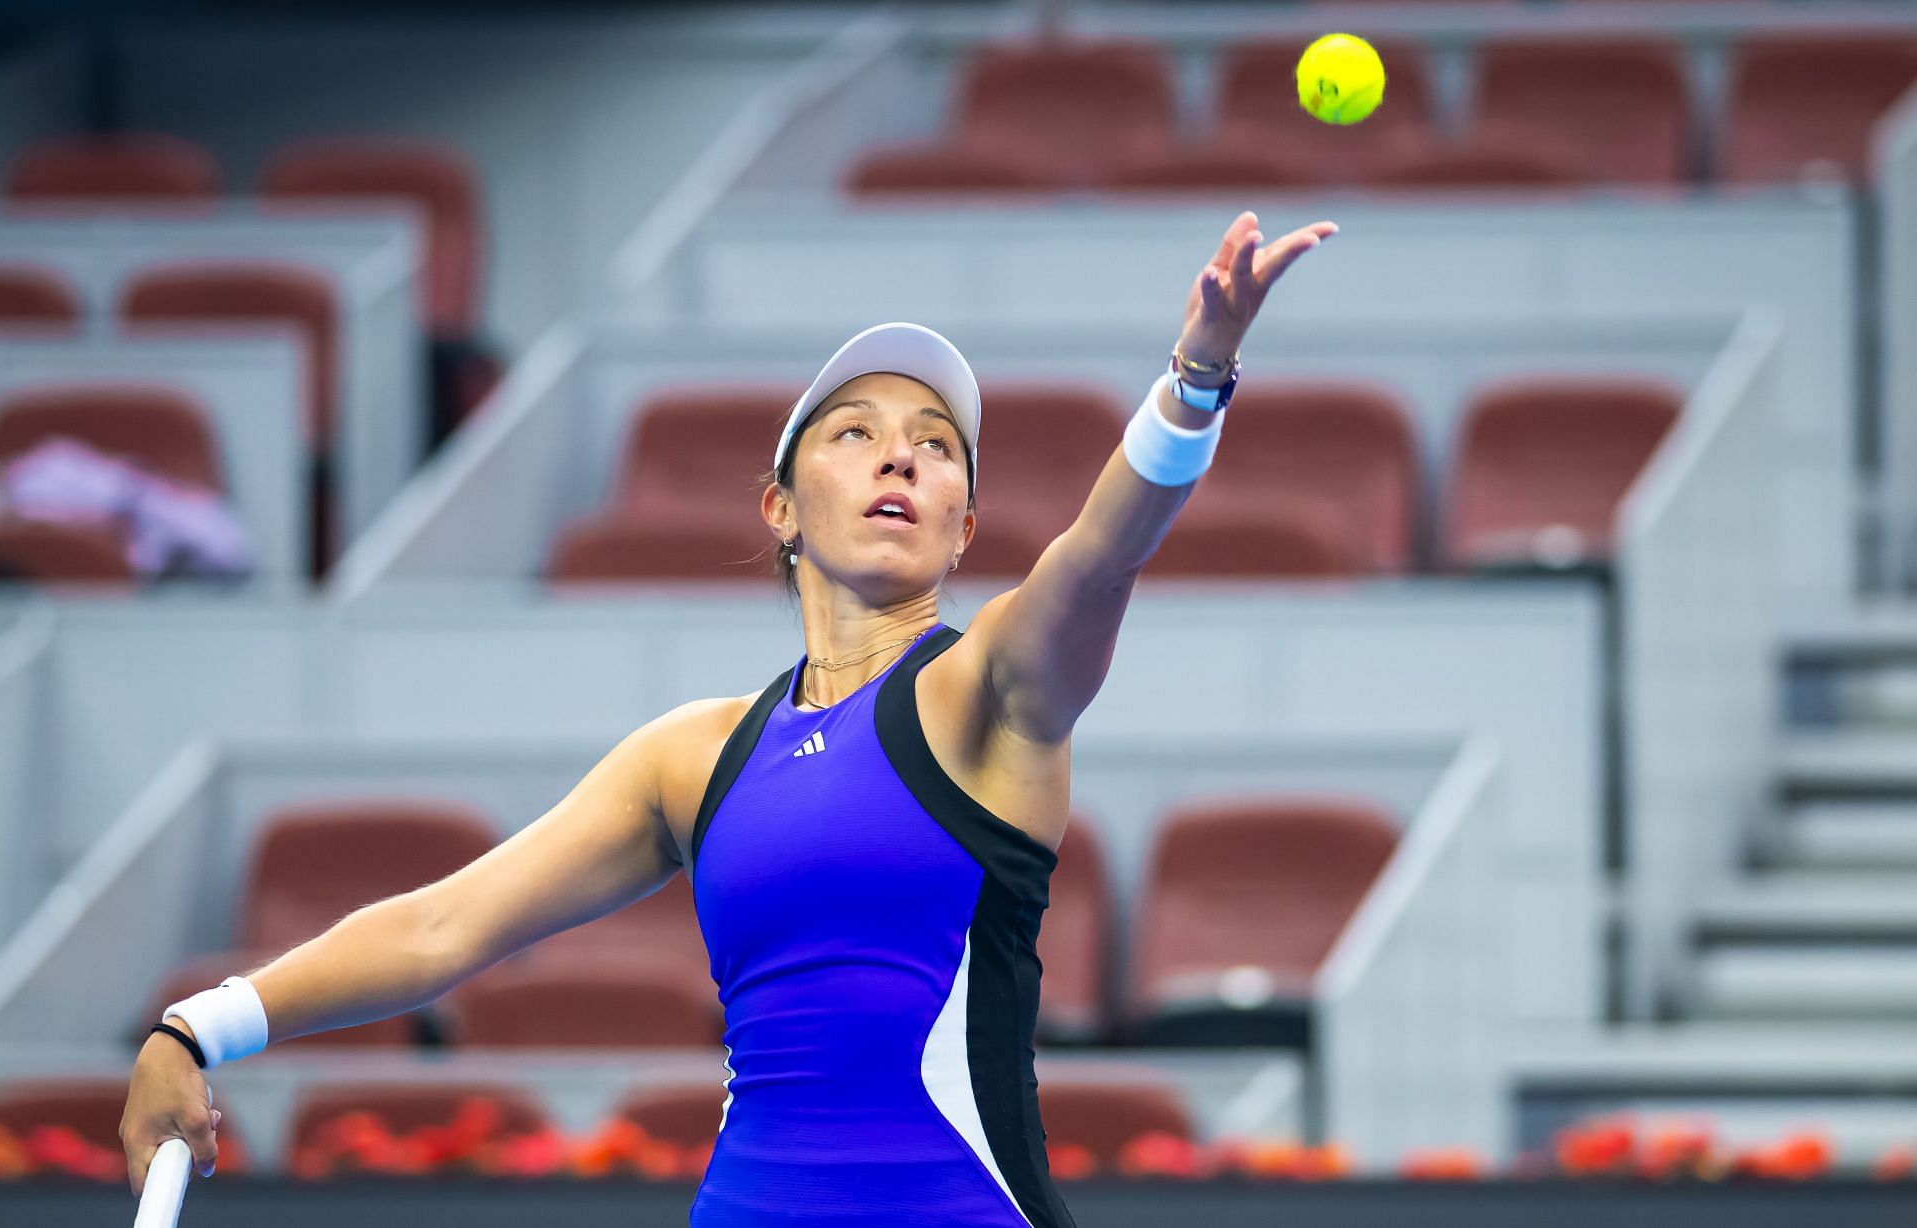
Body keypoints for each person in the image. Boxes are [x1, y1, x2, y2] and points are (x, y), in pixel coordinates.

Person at [121, 210, 1337, 1224]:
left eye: (934, 446)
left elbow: (1098, 556)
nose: (898, 461)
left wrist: (1193, 382)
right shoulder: (690, 756)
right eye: (855, 435)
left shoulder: (990, 693)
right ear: (781, 508)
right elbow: (446, 926)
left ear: (965, 526)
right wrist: (200, 1026)